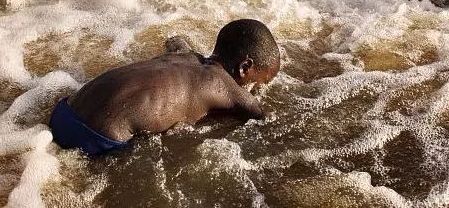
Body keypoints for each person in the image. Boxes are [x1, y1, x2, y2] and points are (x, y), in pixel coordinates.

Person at [49, 19, 280, 156]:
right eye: (261, 81)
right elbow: (265, 117)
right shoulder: (225, 86)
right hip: (97, 138)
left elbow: (174, 40)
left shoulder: (184, 55)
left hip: (66, 111)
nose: (257, 88)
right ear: (244, 68)